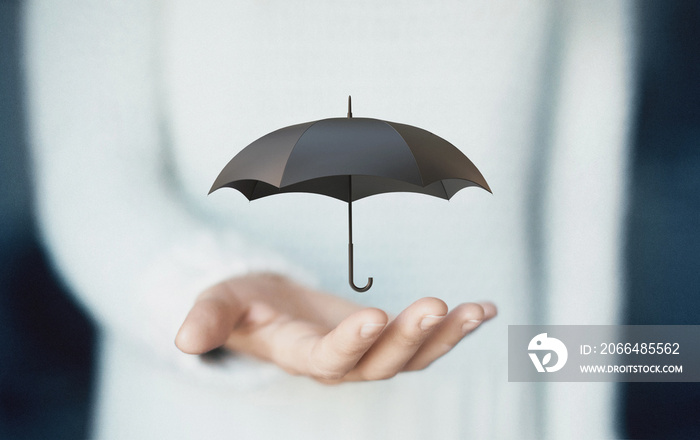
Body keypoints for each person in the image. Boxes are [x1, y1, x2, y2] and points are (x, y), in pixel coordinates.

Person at [23, 1, 634, 438]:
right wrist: (202, 283)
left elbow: (583, 229)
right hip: (194, 418)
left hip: (486, 413)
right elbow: (91, 172)